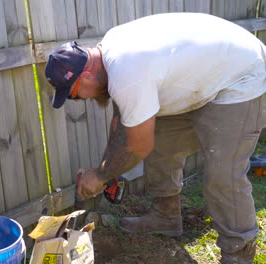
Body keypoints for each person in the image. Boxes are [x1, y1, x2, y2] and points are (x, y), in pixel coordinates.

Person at [44, 12, 265, 263]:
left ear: (85, 77)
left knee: (223, 173)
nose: (79, 100)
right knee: (161, 141)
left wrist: (101, 175)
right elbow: (122, 123)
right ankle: (166, 216)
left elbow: (138, 145)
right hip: (209, 71)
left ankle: (239, 253)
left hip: (241, 76)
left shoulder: (126, 71)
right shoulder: (111, 56)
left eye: (73, 95)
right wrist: (106, 168)